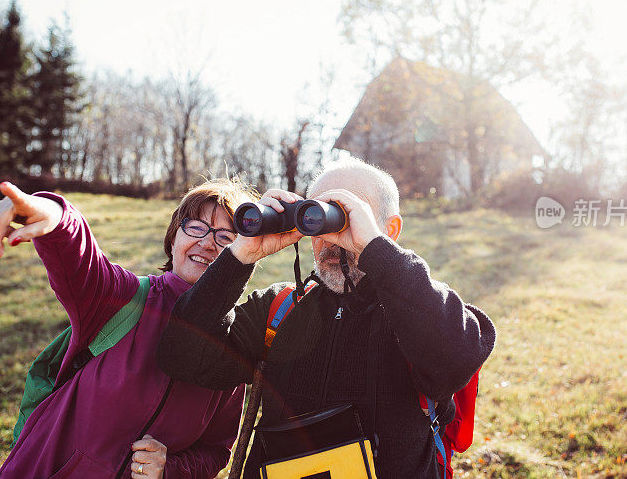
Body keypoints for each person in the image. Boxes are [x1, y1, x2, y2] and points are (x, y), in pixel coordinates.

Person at [157, 159, 496, 478]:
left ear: (389, 230)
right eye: (318, 216)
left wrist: (379, 253)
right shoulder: (280, 308)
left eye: (348, 215)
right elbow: (183, 358)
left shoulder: (421, 305)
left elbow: (455, 359)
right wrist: (239, 257)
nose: (332, 239)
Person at [0, 179, 253, 478]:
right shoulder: (125, 297)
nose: (207, 243)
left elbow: (216, 450)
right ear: (173, 238)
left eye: (226, 237)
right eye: (196, 227)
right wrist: (54, 216)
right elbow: (82, 260)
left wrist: (170, 469)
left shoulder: (231, 350)